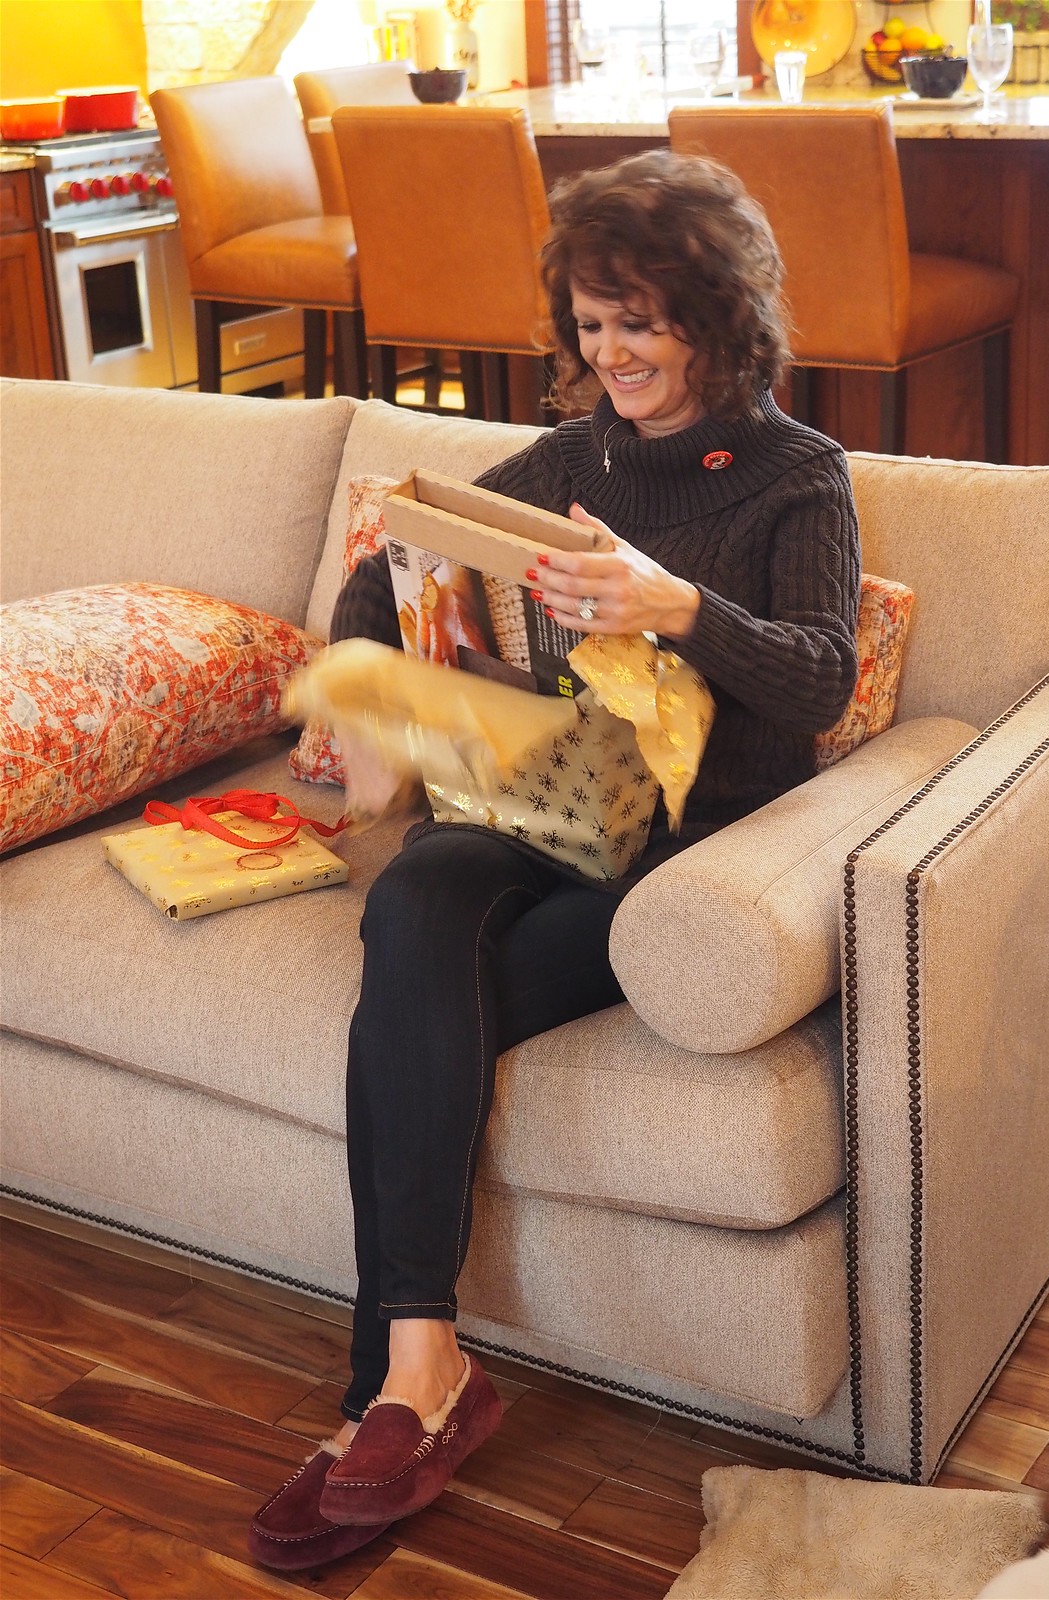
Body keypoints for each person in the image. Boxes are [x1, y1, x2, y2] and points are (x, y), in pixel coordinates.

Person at [248, 148, 861, 1572]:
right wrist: (387, 667)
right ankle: (421, 1370)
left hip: (678, 850)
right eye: (592, 323)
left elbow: (823, 680)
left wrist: (675, 604)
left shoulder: (798, 476)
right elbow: (376, 574)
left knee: (409, 1013)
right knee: (414, 896)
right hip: (535, 806)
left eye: (641, 321)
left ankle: (385, 1399)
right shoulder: (571, 460)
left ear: (718, 316)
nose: (614, 354)